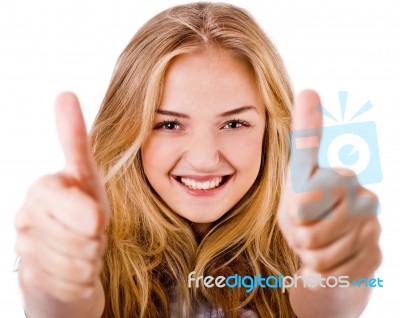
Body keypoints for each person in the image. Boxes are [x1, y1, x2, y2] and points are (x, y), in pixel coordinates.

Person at [14, 2, 381, 317]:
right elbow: (63, 306)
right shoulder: (84, 244)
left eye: (235, 123)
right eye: (170, 124)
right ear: (129, 128)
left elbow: (326, 302)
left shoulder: (304, 237)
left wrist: (335, 271)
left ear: (271, 128)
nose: (205, 159)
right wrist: (56, 287)